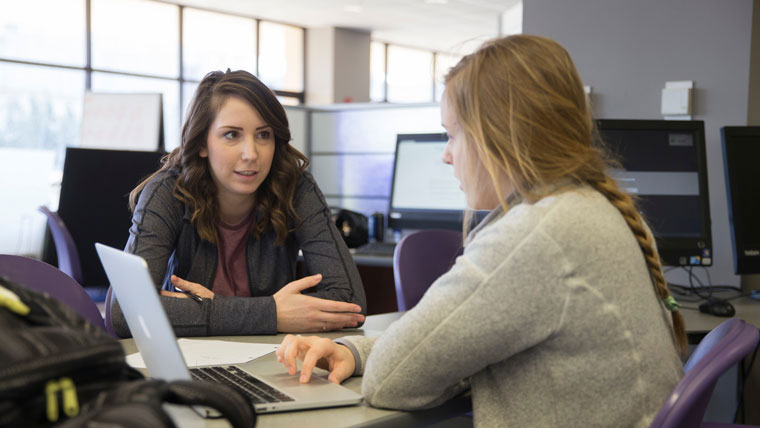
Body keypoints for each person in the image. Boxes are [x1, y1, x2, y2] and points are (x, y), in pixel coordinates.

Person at [276, 35, 685, 426]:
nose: (447, 155)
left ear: (499, 135)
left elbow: (390, 382)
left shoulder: (535, 235)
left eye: (453, 134)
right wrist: (357, 350)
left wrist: (372, 358)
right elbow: (450, 345)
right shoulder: (589, 205)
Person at [109, 70, 366, 338]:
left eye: (263, 135)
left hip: (273, 360)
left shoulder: (295, 187)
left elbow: (351, 304)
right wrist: (273, 314)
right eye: (232, 135)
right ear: (202, 143)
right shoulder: (168, 192)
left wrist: (210, 309)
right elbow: (126, 311)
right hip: (190, 361)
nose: (251, 154)